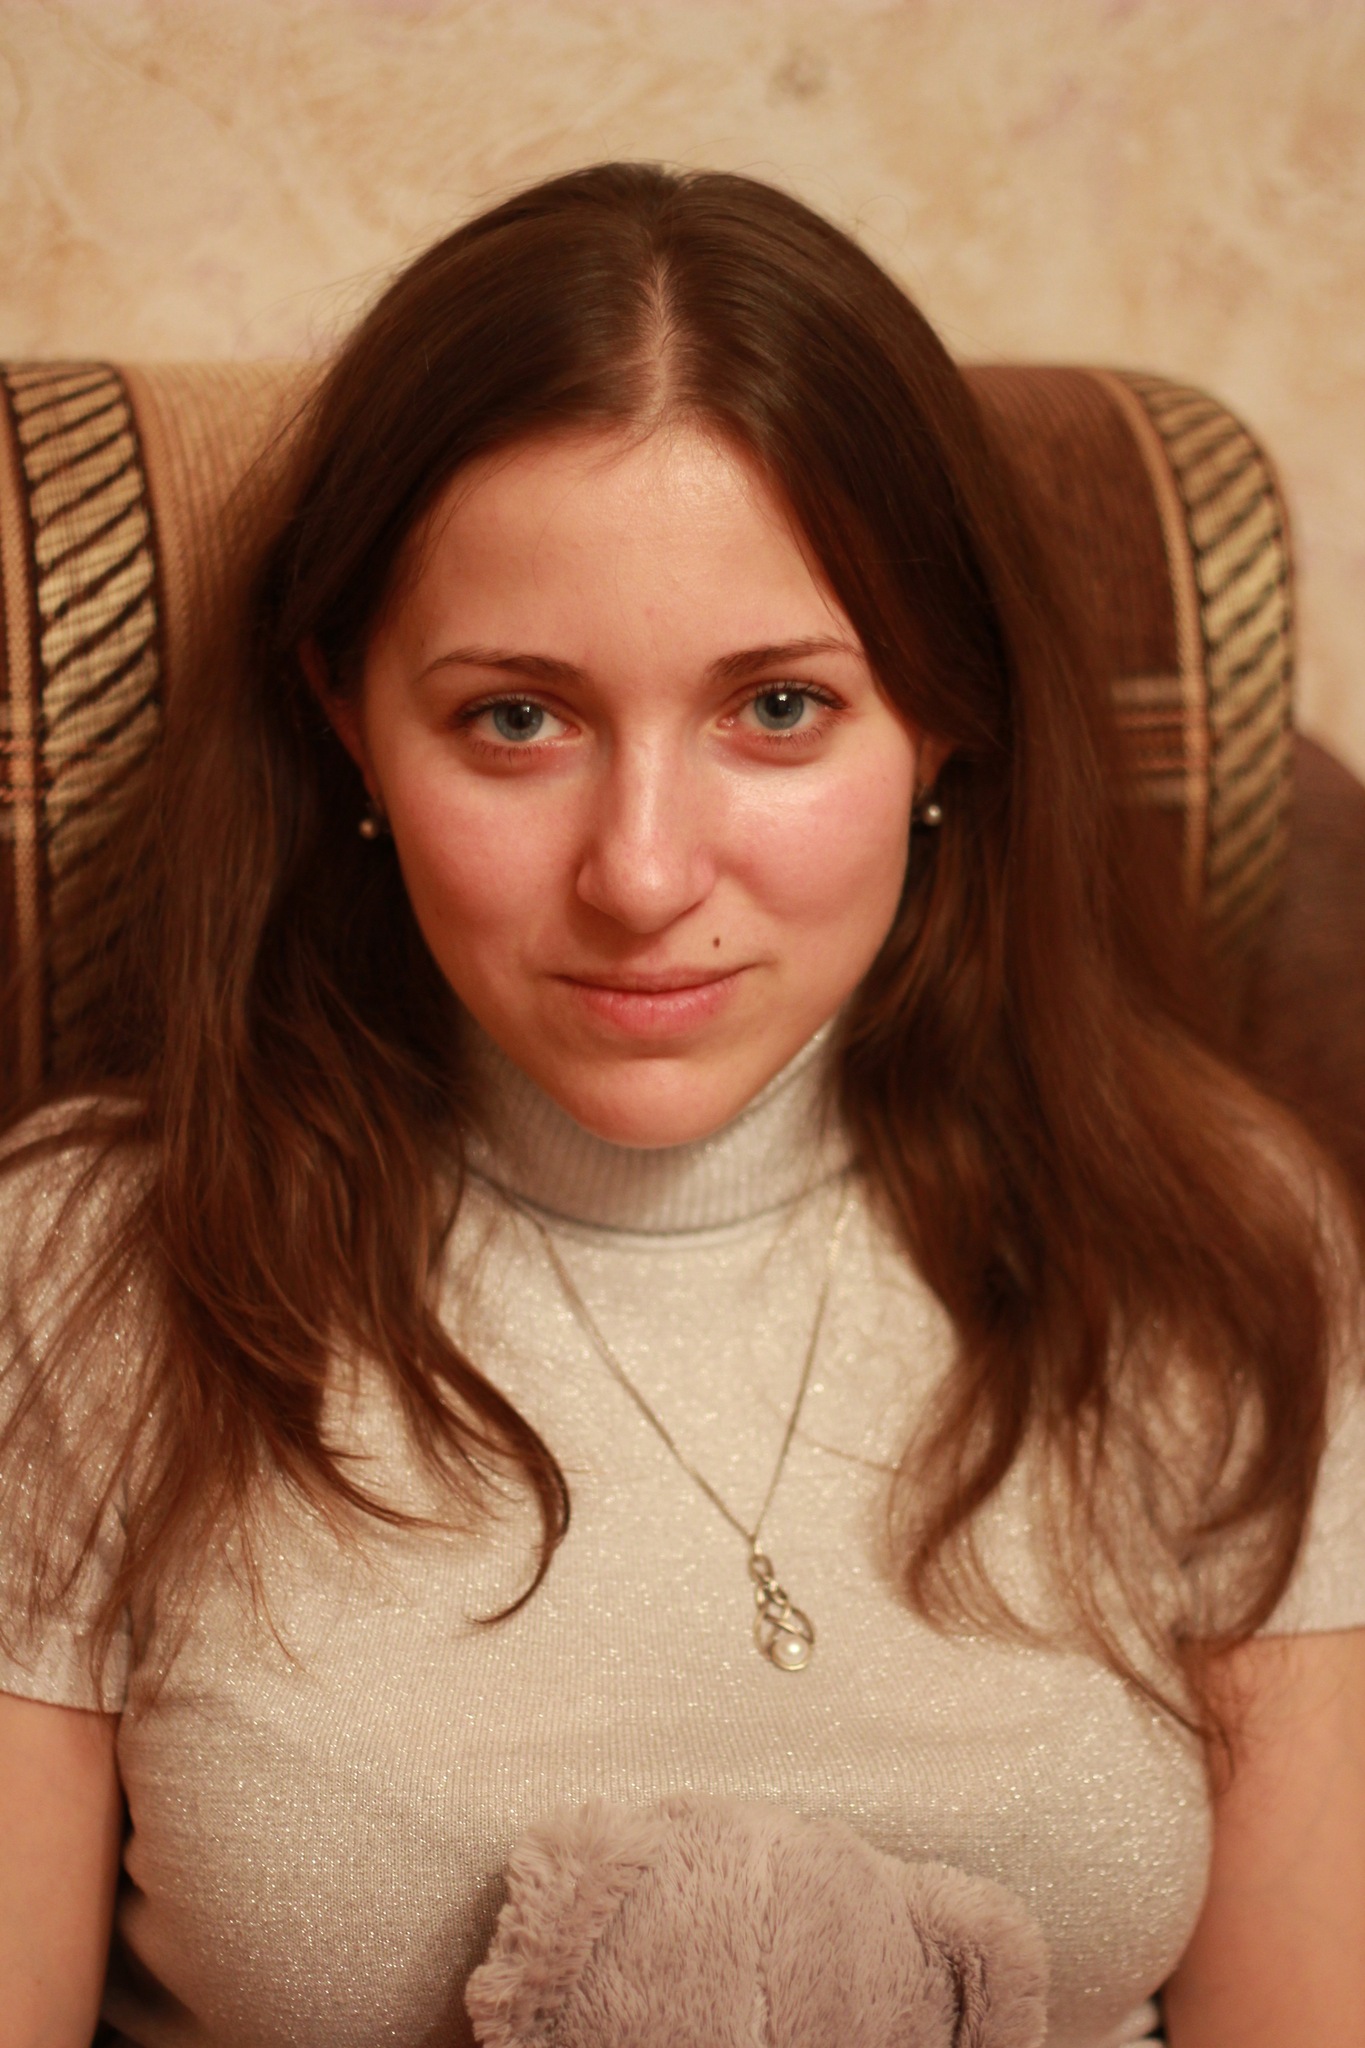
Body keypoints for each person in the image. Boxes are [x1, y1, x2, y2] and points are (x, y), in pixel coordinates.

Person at [1, 162, 1362, 2048]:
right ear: (347, 721)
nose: (642, 875)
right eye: (516, 718)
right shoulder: (88, 1268)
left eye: (778, 709)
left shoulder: (1218, 1238)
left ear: (941, 718)